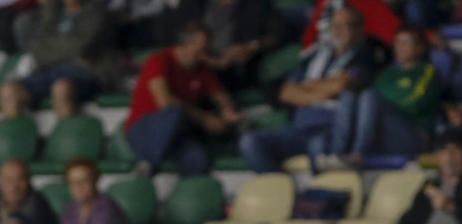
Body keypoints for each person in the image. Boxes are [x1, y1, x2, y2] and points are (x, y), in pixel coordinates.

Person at [238, 6, 379, 172]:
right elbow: (286, 92)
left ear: (360, 29)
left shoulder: (365, 56)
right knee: (251, 141)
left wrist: (307, 87)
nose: (341, 31)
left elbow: (341, 85)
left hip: (330, 131)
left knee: (318, 147)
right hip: (298, 130)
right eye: (337, 26)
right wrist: (324, 91)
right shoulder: (316, 58)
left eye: (348, 25)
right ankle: (283, 190)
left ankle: (323, 196)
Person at [124, 22, 241, 176]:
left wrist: (228, 111)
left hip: (177, 135)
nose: (205, 53)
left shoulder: (202, 69)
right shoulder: (159, 60)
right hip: (144, 128)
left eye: (207, 48)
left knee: (198, 159)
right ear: (186, 44)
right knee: (175, 112)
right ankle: (148, 162)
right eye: (201, 48)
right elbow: (165, 102)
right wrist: (204, 119)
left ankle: (187, 195)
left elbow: (221, 96)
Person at [327, 25, 442, 165]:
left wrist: (383, 105)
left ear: (420, 47)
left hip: (413, 134)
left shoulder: (427, 71)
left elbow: (414, 104)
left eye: (406, 42)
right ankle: (337, 154)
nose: (401, 47)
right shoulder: (386, 74)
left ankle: (359, 153)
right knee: (349, 94)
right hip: (384, 132)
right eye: (398, 43)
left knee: (369, 96)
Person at [19, 0, 115, 105]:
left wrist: (51, 47)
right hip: (48, 71)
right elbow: (37, 50)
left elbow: (79, 48)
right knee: (9, 91)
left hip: (85, 72)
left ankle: (71, 122)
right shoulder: (55, 11)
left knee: (61, 88)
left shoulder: (96, 11)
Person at [0, 159, 58, 224]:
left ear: (28, 181)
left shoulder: (38, 205)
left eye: (19, 179)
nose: (14, 186)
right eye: (8, 180)